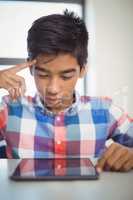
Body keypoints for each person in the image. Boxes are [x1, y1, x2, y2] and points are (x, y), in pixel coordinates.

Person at [0, 10, 133, 172]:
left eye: (65, 76)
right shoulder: (8, 110)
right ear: (30, 67)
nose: (53, 89)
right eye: (42, 74)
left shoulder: (105, 110)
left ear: (82, 69)